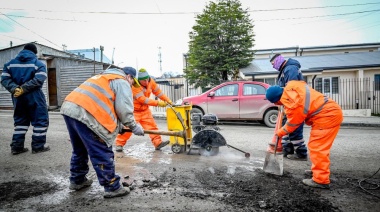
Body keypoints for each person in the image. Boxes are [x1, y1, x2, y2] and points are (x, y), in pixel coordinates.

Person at [60, 66, 144, 198]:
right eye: (133, 82)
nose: (132, 85)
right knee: (101, 149)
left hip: (70, 108)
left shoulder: (102, 77)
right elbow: (124, 109)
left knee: (80, 149)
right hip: (86, 112)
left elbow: (107, 105)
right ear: (129, 77)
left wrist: (119, 126)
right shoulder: (122, 81)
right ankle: (112, 186)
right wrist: (134, 126)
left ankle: (77, 180)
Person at [265, 81, 343, 189]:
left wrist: (280, 133)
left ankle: (320, 180)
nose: (275, 105)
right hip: (327, 111)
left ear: (277, 100)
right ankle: (317, 171)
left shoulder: (293, 103)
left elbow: (293, 124)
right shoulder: (292, 86)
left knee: (318, 148)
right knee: (316, 146)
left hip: (327, 116)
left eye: (275, 103)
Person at [1, 43, 50, 155]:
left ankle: (17, 148)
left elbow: (4, 79)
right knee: (40, 120)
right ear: (34, 52)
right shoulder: (38, 64)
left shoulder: (9, 64)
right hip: (34, 95)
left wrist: (15, 89)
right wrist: (24, 88)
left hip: (18, 96)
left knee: (20, 122)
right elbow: (39, 79)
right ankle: (38, 146)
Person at [115, 68, 173, 152]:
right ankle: (119, 144)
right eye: (143, 81)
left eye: (147, 79)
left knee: (152, 127)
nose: (146, 82)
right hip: (134, 111)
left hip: (145, 111)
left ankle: (158, 143)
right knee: (128, 129)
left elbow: (159, 93)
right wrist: (158, 103)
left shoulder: (151, 81)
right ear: (139, 80)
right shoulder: (135, 86)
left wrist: (167, 100)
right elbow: (142, 99)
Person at [270, 53, 307, 160]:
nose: (273, 66)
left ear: (278, 60)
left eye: (273, 63)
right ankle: (288, 149)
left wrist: (288, 102)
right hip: (288, 104)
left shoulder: (290, 69)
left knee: (294, 128)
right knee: (285, 127)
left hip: (295, 104)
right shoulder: (284, 70)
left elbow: (292, 89)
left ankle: (301, 153)